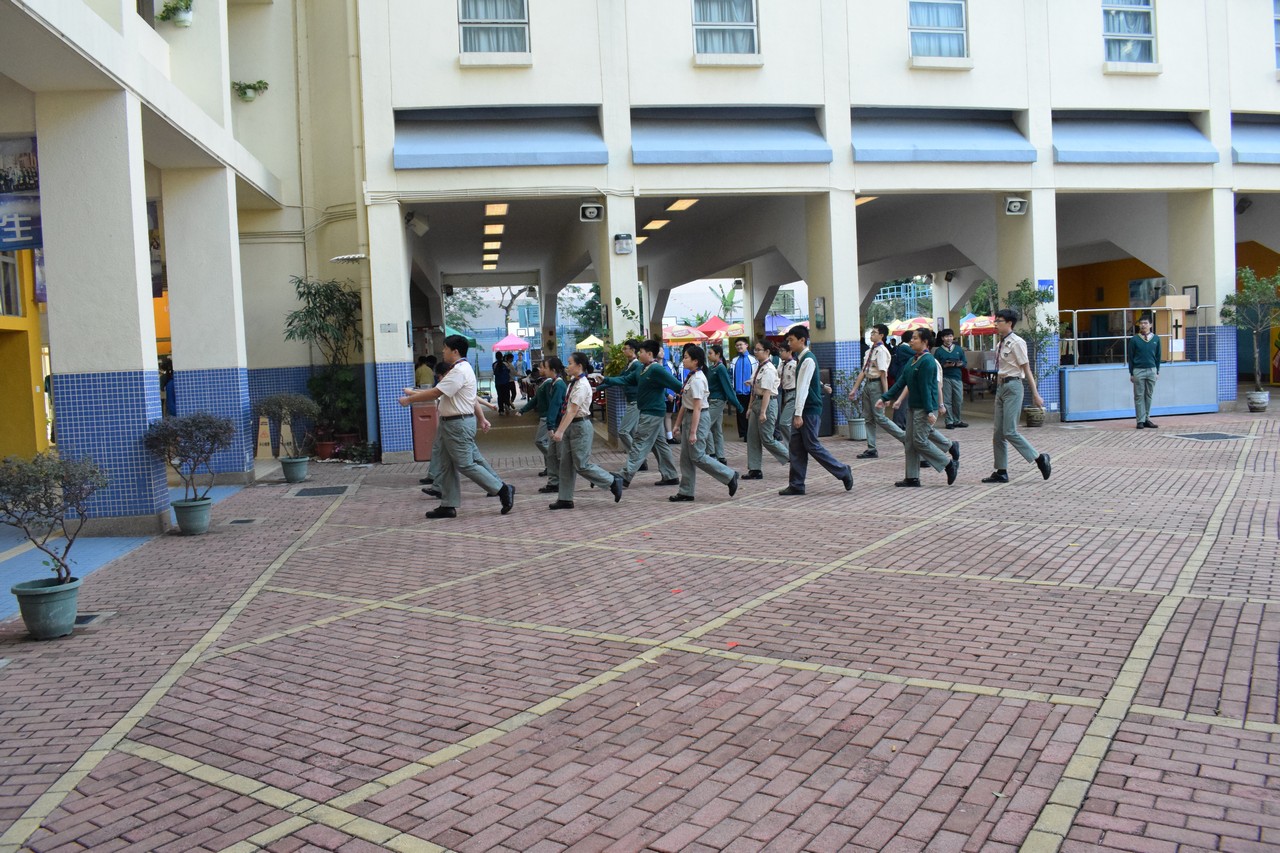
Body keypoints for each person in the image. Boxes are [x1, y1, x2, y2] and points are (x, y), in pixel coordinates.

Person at [399, 334, 515, 518]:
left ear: (455, 351)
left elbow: (436, 392)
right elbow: (463, 397)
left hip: (457, 424)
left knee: (465, 464)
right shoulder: (459, 369)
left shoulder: (459, 371)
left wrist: (410, 399)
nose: (442, 351)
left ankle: (502, 489)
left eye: (445, 348)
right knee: (446, 465)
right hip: (451, 423)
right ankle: (448, 504)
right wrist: (482, 419)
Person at [877, 329, 958, 487]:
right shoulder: (913, 360)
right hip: (913, 406)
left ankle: (948, 464)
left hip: (925, 407)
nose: (911, 341)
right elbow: (902, 382)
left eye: (915, 338)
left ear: (925, 342)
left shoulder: (928, 361)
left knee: (919, 441)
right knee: (910, 442)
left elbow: (926, 388)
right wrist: (885, 397)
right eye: (912, 338)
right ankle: (912, 477)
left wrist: (929, 411)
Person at [779, 325, 854, 496]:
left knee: (812, 445)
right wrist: (822, 386)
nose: (789, 343)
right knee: (796, 447)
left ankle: (843, 471)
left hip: (809, 409)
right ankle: (796, 484)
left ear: (802, 340)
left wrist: (798, 414)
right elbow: (809, 380)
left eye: (791, 340)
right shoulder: (801, 359)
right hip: (803, 409)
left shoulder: (808, 359)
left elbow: (803, 386)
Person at [598, 339, 682, 488]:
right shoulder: (642, 369)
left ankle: (624, 476)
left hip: (652, 413)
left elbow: (677, 385)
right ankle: (671, 475)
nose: (638, 354)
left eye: (641, 352)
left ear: (649, 354)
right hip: (650, 412)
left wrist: (686, 397)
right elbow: (626, 379)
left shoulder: (656, 369)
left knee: (639, 443)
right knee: (660, 445)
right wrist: (606, 379)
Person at [983, 308, 1052, 484]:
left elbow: (1026, 369)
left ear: (1009, 323)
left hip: (1013, 386)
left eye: (999, 321)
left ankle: (1039, 458)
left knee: (1009, 431)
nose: (996, 324)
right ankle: (1001, 471)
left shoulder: (1017, 342)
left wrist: (1035, 394)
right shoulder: (1000, 344)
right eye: (996, 321)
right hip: (1001, 386)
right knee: (998, 433)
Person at [549, 352, 624, 509]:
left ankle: (612, 481)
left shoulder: (582, 385)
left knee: (581, 465)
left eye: (570, 363)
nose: (567, 366)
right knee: (566, 464)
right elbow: (566, 410)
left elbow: (573, 411)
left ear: (579, 366)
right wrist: (561, 428)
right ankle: (565, 499)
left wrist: (560, 432)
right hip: (571, 425)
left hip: (580, 426)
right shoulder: (573, 383)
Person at [669, 345, 740, 502]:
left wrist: (693, 432)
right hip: (690, 417)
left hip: (699, 418)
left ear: (695, 361)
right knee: (686, 458)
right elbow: (685, 404)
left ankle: (729, 475)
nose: (683, 360)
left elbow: (697, 408)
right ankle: (686, 492)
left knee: (697, 456)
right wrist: (677, 424)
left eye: (686, 357)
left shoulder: (698, 380)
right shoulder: (691, 377)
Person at [743, 340, 789, 479]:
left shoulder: (769, 369)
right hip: (757, 402)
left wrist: (763, 412)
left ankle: (791, 457)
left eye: (759, 350)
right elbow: (754, 388)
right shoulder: (759, 367)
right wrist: (750, 407)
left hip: (767, 404)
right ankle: (754, 469)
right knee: (752, 438)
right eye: (755, 350)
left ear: (767, 352)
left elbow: (767, 392)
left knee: (767, 438)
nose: (756, 352)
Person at [851, 323, 897, 459]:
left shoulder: (881, 351)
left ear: (881, 335)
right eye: (871, 332)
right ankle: (871, 448)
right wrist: (854, 389)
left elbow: (883, 374)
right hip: (868, 384)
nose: (871, 335)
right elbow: (863, 371)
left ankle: (904, 438)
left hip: (877, 385)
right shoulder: (870, 351)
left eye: (874, 333)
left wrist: (886, 395)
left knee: (880, 417)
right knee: (868, 418)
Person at [518, 359, 565, 491]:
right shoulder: (550, 383)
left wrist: (550, 424)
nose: (540, 370)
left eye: (543, 367)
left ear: (552, 370)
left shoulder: (557, 384)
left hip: (555, 422)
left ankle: (609, 480)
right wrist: (523, 410)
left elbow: (555, 405)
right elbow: (538, 399)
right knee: (553, 454)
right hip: (553, 422)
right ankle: (553, 482)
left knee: (575, 462)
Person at [706, 344, 745, 464]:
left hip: (717, 401)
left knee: (705, 425)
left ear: (718, 354)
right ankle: (721, 456)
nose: (708, 356)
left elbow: (728, 387)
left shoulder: (721, 368)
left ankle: (711, 453)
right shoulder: (712, 368)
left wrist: (737, 405)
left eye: (710, 353)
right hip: (711, 400)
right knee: (716, 429)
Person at [613, 340, 645, 463]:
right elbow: (620, 378)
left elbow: (623, 379)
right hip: (631, 401)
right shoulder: (629, 365)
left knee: (623, 431)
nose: (623, 351)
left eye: (625, 348)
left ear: (633, 350)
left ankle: (637, 458)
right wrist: (600, 385)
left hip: (635, 402)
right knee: (633, 433)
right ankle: (640, 460)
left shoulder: (637, 365)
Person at [1128, 314, 1161, 429]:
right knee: (1139, 395)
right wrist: (1131, 373)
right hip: (1138, 370)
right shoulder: (1134, 340)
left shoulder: (1156, 339)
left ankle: (1147, 418)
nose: (1143, 325)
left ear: (1150, 325)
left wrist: (1157, 371)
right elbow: (1131, 357)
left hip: (1152, 369)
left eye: (1145, 323)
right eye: (1141, 323)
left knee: (1149, 395)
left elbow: (1158, 356)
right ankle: (1140, 420)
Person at [935, 329, 968, 428]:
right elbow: (936, 365)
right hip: (945, 377)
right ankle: (949, 421)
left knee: (958, 400)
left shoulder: (958, 349)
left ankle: (957, 420)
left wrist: (959, 364)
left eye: (950, 336)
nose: (948, 338)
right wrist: (945, 365)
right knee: (947, 400)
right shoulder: (938, 351)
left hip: (957, 377)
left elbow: (965, 362)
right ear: (942, 338)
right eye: (946, 336)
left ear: (953, 337)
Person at [888, 330, 914, 430]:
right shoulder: (904, 348)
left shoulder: (901, 347)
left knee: (904, 401)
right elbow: (920, 354)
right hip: (902, 377)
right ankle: (899, 423)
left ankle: (903, 422)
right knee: (902, 402)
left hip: (902, 377)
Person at [730, 338, 753, 440]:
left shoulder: (753, 360)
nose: (739, 347)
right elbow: (731, 376)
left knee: (750, 412)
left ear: (746, 345)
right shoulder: (734, 361)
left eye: (741, 344)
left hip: (750, 392)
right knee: (740, 412)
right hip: (738, 391)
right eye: (737, 345)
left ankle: (749, 433)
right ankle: (743, 433)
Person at [775, 345, 797, 445]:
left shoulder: (795, 364)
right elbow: (776, 377)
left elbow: (807, 378)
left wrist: (823, 386)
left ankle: (792, 447)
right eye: (779, 351)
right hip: (784, 394)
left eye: (782, 350)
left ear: (789, 352)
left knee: (784, 423)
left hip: (793, 394)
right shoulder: (781, 364)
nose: (780, 353)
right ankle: (791, 448)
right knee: (787, 423)